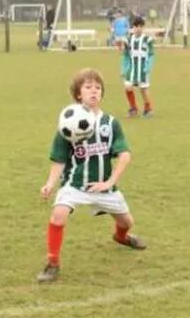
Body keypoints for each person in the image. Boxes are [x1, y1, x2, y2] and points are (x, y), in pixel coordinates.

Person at [36, 68, 145, 283]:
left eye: (98, 87)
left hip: (105, 187)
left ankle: (121, 237)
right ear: (78, 94)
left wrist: (109, 182)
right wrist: (50, 183)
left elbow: (124, 155)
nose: (94, 91)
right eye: (88, 87)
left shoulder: (110, 123)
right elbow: (59, 159)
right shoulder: (68, 122)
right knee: (58, 214)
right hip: (75, 184)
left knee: (126, 222)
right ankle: (52, 264)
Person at [121, 16, 155, 118]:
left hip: (142, 69)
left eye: (140, 26)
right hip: (131, 69)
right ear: (133, 27)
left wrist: (148, 66)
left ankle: (148, 108)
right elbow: (126, 55)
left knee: (143, 90)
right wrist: (124, 68)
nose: (138, 28)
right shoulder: (128, 40)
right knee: (128, 87)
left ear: (143, 27)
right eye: (136, 26)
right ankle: (133, 108)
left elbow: (151, 54)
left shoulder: (147, 40)